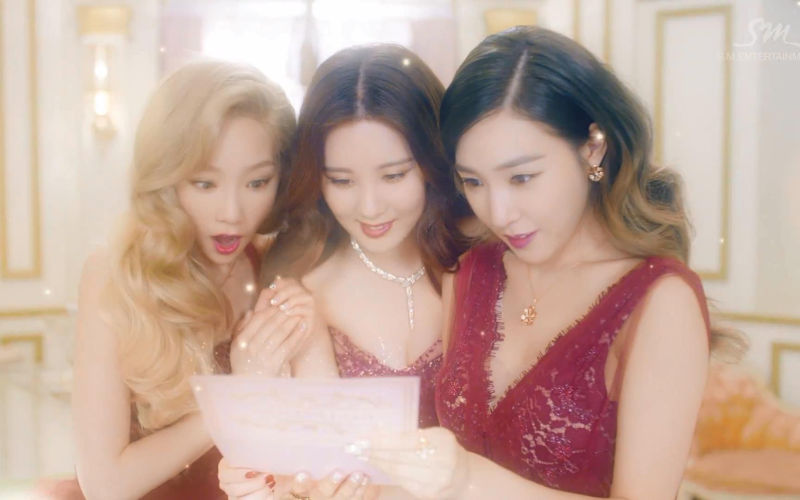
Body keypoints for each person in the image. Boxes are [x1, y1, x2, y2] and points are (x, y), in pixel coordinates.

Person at [344, 26, 745, 500]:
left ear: (593, 147)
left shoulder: (658, 302)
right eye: (473, 182)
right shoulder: (471, 272)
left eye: (521, 177)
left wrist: (468, 480)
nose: (498, 213)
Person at [218, 44, 470, 500]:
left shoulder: (483, 267)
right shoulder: (303, 291)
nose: (369, 207)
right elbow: (308, 476)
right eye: (341, 180)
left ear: (431, 163)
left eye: (394, 175)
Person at [70, 59, 300, 500]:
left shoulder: (279, 268)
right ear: (165, 179)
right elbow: (105, 484)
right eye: (204, 183)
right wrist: (238, 396)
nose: (232, 213)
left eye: (257, 183)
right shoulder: (115, 275)